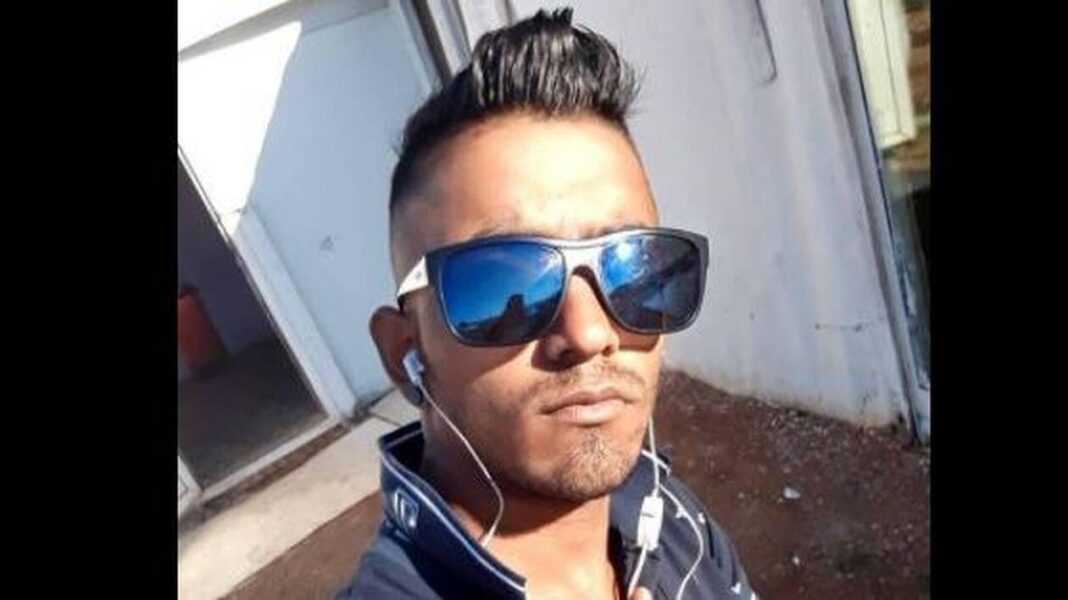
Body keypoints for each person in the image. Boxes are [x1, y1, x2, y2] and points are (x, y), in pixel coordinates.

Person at [339, 8, 756, 599]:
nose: (590, 333)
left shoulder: (664, 509)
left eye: (633, 269)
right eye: (500, 282)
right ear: (406, 353)